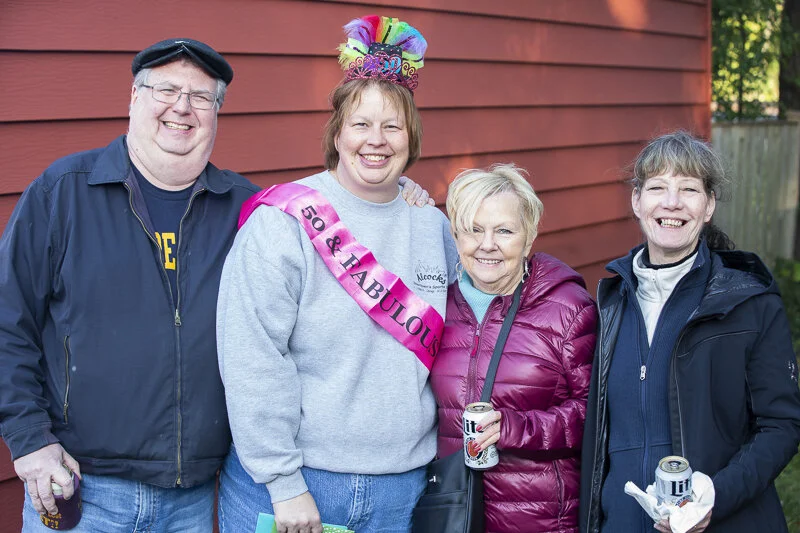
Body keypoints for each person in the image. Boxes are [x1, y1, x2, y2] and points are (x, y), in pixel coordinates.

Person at [0, 38, 259, 531]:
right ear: (135, 98)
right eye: (166, 89)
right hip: (81, 490)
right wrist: (29, 438)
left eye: (201, 97)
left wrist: (401, 194)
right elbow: (6, 321)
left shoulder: (247, 210)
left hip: (193, 501)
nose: (182, 107)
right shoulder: (63, 193)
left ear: (216, 112)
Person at [215, 15, 458, 533]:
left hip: (404, 490)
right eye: (361, 124)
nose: (376, 140)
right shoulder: (283, 222)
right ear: (337, 132)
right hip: (296, 488)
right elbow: (252, 355)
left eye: (392, 126)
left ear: (411, 136)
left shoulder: (432, 226)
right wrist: (284, 483)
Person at [579, 131, 800, 533]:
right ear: (637, 201)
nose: (672, 202)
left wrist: (716, 496)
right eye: (657, 188)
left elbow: (781, 425)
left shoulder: (749, 303)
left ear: (709, 205)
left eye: (689, 189)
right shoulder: (611, 304)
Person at [430, 163, 597, 533]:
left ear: (529, 237)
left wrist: (514, 428)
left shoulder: (567, 309)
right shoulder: (437, 307)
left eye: (504, 230)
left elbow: (595, 413)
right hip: (455, 513)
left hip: (539, 517)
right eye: (474, 229)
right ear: (455, 235)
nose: (487, 244)